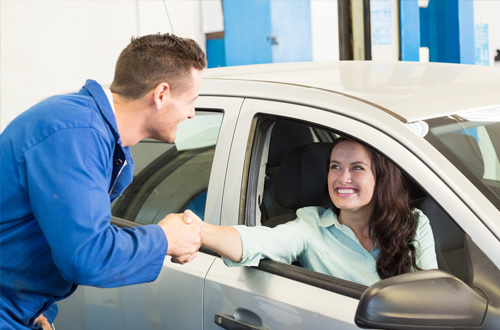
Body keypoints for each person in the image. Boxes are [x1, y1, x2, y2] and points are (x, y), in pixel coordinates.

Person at [0, 33, 206, 330]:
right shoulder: (76, 134)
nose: (191, 113)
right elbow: (86, 255)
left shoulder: (87, 129)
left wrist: (30, 310)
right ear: (161, 94)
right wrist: (165, 239)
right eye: (190, 101)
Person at [188, 138, 438, 286]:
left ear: (381, 177)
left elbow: (433, 295)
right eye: (335, 167)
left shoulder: (413, 223)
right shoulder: (310, 226)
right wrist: (198, 230)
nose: (343, 178)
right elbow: (256, 241)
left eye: (357, 168)